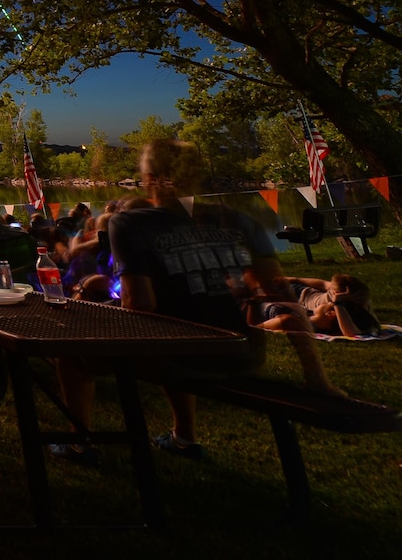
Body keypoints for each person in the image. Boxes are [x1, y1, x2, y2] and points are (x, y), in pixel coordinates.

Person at [55, 140, 341, 464]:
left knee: (73, 354)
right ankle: (183, 438)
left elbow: (140, 305)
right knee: (177, 323)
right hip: (244, 355)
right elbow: (280, 292)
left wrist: (96, 311)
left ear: (149, 179)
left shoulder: (129, 222)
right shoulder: (239, 218)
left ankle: (79, 443)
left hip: (181, 357)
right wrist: (317, 379)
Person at [253, 273, 381, 338]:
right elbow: (322, 284)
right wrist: (291, 279)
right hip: (295, 292)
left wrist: (337, 303)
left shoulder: (341, 307)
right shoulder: (335, 299)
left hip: (290, 298)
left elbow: (357, 331)